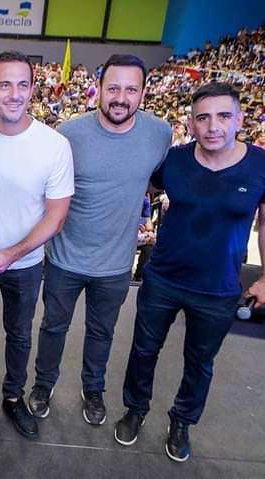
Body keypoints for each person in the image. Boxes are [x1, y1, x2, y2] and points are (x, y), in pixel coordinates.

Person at [115, 82, 265, 462]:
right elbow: (136, 189)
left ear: (239, 119)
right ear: (191, 123)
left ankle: (182, 421)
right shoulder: (175, 161)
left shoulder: (261, 164)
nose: (213, 126)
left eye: (223, 116)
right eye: (203, 118)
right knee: (144, 350)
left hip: (218, 289)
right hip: (163, 278)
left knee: (200, 362)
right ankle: (136, 409)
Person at [28, 54, 172, 426]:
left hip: (115, 264)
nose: (120, 97)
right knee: (53, 328)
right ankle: (43, 385)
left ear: (143, 92)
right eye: (113, 88)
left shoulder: (160, 134)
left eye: (130, 89)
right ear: (99, 90)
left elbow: (156, 182)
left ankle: (93, 389)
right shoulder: (70, 134)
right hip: (64, 260)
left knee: (102, 333)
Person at [0, 51, 74, 439]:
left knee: (20, 334)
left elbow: (56, 217)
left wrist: (13, 252)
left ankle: (12, 397)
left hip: (24, 264)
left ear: (33, 90)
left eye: (22, 85)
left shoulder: (54, 145)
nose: (14, 94)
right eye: (5, 84)